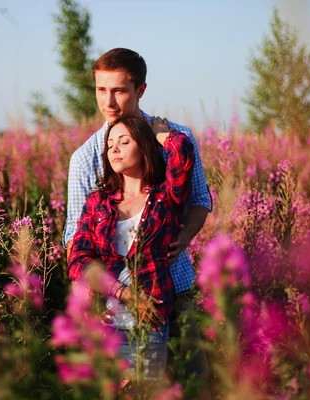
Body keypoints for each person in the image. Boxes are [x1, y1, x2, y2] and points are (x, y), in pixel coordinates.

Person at [63, 48, 212, 397]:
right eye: (101, 90)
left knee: (195, 380)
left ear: (140, 89)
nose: (109, 101)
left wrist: (183, 239)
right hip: (118, 303)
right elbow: (75, 241)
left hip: (175, 283)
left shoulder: (175, 136)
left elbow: (199, 201)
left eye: (119, 90)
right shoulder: (86, 157)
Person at [68, 115, 193, 382]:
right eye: (110, 143)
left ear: (144, 147)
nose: (114, 148)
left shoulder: (165, 198)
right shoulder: (98, 203)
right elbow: (78, 260)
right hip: (105, 325)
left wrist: (162, 135)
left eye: (124, 142)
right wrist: (125, 294)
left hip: (149, 325)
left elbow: (183, 157)